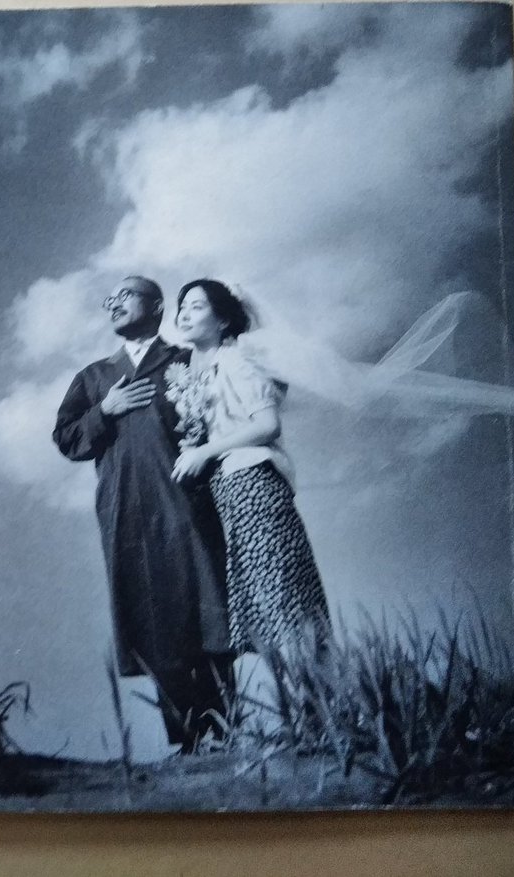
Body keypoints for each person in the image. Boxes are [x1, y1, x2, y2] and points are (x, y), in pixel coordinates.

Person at [53, 275, 232, 753]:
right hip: (125, 510)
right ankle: (188, 741)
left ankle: (226, 730)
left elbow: (225, 415)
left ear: (156, 306)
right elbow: (67, 439)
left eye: (126, 294)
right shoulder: (94, 376)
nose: (113, 302)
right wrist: (105, 410)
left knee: (207, 611)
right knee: (152, 618)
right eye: (109, 298)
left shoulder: (185, 360)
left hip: (188, 502)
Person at [169, 279, 331, 657]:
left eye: (197, 306)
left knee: (284, 602)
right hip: (232, 491)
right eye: (182, 306)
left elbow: (267, 424)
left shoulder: (237, 360)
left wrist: (203, 452)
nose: (184, 314)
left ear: (223, 321)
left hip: (254, 485)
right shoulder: (198, 372)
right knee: (268, 609)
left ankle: (326, 688)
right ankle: (314, 690)